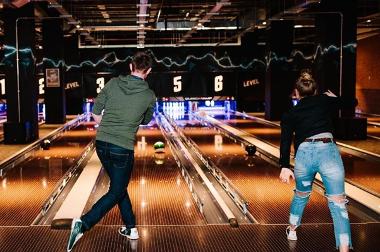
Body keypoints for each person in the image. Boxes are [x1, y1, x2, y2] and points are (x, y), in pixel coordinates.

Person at [67, 51, 156, 252]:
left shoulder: (113, 83)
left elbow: (96, 112)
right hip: (122, 148)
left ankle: (131, 227)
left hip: (102, 143)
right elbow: (146, 120)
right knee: (116, 190)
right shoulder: (149, 95)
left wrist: (107, 127)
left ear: (131, 67)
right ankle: (84, 224)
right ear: (148, 71)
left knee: (119, 186)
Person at [279, 71, 356, 252]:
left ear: (296, 93)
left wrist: (284, 165)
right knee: (338, 204)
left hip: (304, 156)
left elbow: (285, 140)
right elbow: (352, 103)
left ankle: (292, 231)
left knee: (301, 195)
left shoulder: (291, 113)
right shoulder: (324, 100)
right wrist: (334, 98)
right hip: (328, 151)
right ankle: (344, 249)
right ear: (315, 91)